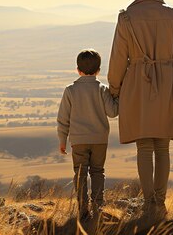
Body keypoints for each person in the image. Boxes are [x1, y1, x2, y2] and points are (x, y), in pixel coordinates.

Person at [107, 0, 173, 221]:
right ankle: (160, 203)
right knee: (163, 147)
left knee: (144, 147)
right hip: (170, 82)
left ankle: (148, 204)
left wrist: (115, 88)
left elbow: (117, 59)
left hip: (137, 82)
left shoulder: (126, 18)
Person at [57, 49, 119, 219]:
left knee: (80, 173)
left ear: (78, 69)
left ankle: (83, 209)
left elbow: (63, 119)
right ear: (98, 70)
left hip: (78, 140)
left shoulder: (70, 90)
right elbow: (113, 112)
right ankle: (98, 206)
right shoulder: (102, 89)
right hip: (100, 139)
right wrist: (118, 97)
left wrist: (63, 140)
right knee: (98, 171)